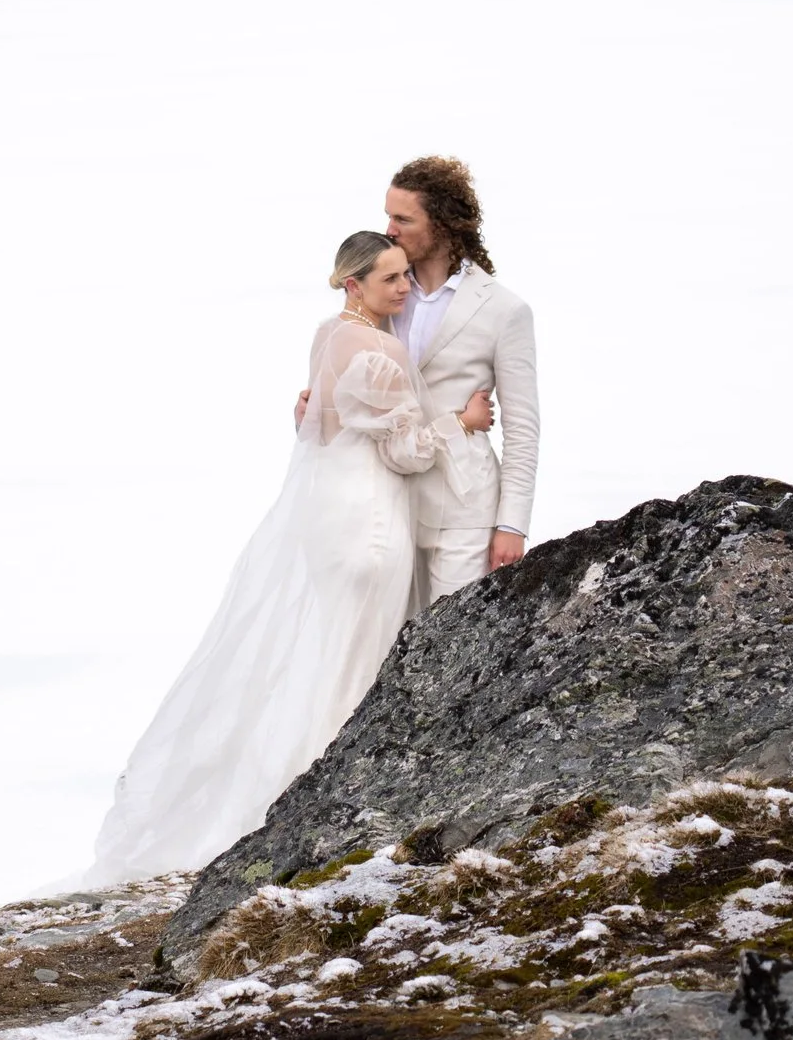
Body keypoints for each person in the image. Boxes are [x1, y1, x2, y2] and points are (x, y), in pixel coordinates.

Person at [90, 234, 427, 882]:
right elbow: (410, 452)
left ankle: (291, 795)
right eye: (390, 279)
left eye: (407, 275)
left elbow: (317, 421)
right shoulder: (383, 351)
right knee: (356, 656)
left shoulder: (328, 335)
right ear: (353, 283)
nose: (404, 287)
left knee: (326, 650)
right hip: (369, 517)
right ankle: (331, 798)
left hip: (327, 514)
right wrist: (461, 423)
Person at [383, 153, 538, 607]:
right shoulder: (381, 290)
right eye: (387, 216)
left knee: (447, 650)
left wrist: (512, 524)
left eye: (402, 218)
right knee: (383, 651)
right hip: (389, 503)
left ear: (444, 224)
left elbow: (523, 426)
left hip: (465, 509)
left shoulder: (504, 310)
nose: (389, 229)